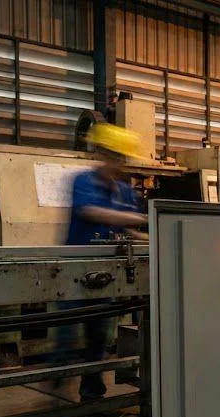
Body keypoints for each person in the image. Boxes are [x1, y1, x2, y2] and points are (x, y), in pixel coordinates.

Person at [57, 123, 147, 402]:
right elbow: (92, 212)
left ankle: (91, 392)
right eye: (117, 157)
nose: (122, 164)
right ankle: (55, 380)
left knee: (99, 335)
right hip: (76, 268)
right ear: (104, 154)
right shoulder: (83, 181)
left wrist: (156, 234)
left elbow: (130, 230)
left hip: (107, 273)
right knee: (66, 334)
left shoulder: (124, 190)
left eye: (124, 159)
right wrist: (139, 219)